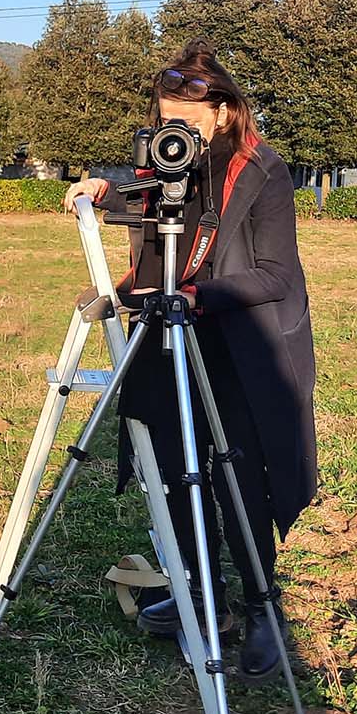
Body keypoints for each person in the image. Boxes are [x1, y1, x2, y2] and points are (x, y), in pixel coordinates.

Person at [61, 40, 319, 680]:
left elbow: (276, 276)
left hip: (238, 339)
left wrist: (194, 296)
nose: (175, 126)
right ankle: (205, 599)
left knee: (235, 478)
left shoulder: (262, 169)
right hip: (166, 329)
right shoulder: (163, 158)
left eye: (190, 115)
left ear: (227, 113)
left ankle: (262, 609)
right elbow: (141, 195)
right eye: (165, 111)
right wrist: (101, 186)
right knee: (173, 469)